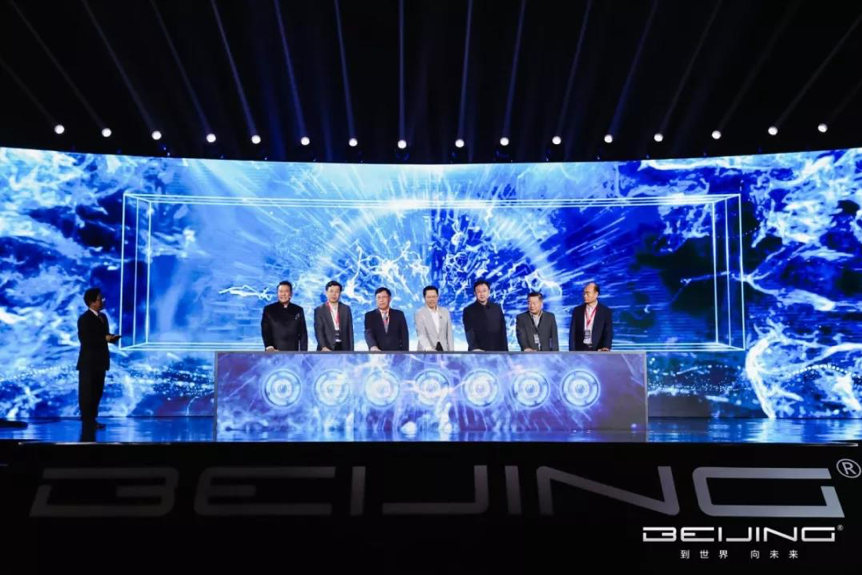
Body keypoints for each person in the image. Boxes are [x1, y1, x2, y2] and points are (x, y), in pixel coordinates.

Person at [76, 287, 120, 429]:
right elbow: (86, 339)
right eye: (100, 299)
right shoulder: (84, 319)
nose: (103, 301)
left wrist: (111, 337)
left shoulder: (103, 317)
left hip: (101, 361)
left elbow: (103, 335)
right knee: (87, 393)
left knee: (97, 392)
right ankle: (87, 420)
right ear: (92, 302)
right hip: (88, 362)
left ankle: (92, 419)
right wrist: (104, 338)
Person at [462, 279, 508, 351]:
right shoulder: (468, 310)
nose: (482, 294)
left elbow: (503, 331)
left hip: (497, 351)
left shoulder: (497, 308)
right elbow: (469, 332)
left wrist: (506, 352)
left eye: (484, 291)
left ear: (489, 292)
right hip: (478, 352)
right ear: (475, 293)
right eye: (479, 291)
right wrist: (475, 348)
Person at [261, 281, 308, 351]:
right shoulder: (268, 309)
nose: (283, 294)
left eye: (286, 291)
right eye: (280, 291)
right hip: (274, 352)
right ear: (277, 293)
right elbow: (265, 331)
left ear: (290, 294)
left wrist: (303, 353)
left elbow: (303, 333)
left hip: (293, 352)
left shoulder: (298, 310)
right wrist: (269, 346)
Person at [569, 282, 613, 351]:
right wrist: (572, 351)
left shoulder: (605, 311)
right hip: (580, 349)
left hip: (598, 350)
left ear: (596, 294)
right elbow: (572, 333)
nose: (585, 295)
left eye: (587, 293)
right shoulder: (577, 311)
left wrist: (606, 347)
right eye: (584, 293)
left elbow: (608, 331)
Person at [314, 280, 354, 351]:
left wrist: (351, 351)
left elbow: (350, 332)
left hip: (343, 347)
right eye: (331, 291)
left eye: (337, 292)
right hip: (326, 348)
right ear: (326, 293)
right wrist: (323, 347)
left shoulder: (346, 309)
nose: (334, 294)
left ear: (340, 293)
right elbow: (319, 331)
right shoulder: (319, 310)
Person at [364, 287, 409, 351]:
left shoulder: (399, 314)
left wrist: (405, 353)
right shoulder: (369, 315)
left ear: (389, 299)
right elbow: (368, 333)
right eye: (378, 297)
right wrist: (373, 346)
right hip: (377, 353)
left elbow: (404, 336)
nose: (381, 300)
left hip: (396, 353)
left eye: (384, 297)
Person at [414, 285, 454, 351]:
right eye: (429, 297)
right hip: (427, 350)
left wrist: (451, 352)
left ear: (437, 297)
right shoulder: (419, 313)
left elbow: (449, 334)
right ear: (424, 298)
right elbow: (421, 334)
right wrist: (428, 349)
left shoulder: (445, 312)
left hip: (443, 349)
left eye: (434, 297)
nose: (431, 299)